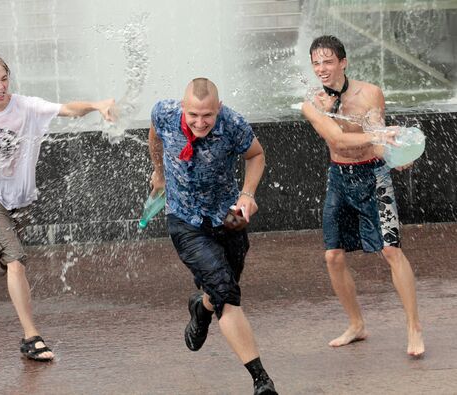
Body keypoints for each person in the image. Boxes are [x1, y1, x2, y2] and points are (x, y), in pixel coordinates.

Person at [0, 54, 114, 361]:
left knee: (3, 261)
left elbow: (67, 110)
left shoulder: (26, 107)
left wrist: (97, 105)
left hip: (21, 197)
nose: (0, 86)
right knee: (16, 261)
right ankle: (31, 336)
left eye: (4, 79)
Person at [147, 78, 278, 394]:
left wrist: (247, 194)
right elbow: (154, 136)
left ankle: (201, 307)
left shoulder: (232, 123)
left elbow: (256, 155)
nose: (200, 122)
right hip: (185, 222)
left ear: (218, 108)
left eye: (207, 115)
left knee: (225, 286)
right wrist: (160, 173)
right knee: (226, 293)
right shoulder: (163, 113)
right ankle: (262, 381)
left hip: (228, 219)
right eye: (193, 115)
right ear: (183, 106)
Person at [301, 35, 425, 357]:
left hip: (374, 176)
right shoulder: (310, 104)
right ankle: (356, 324)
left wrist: (394, 154)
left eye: (328, 61)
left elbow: (375, 129)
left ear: (343, 62)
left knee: (391, 251)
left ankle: (414, 327)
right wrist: (378, 135)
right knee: (333, 255)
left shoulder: (370, 93)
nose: (321, 69)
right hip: (339, 177)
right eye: (316, 63)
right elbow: (338, 141)